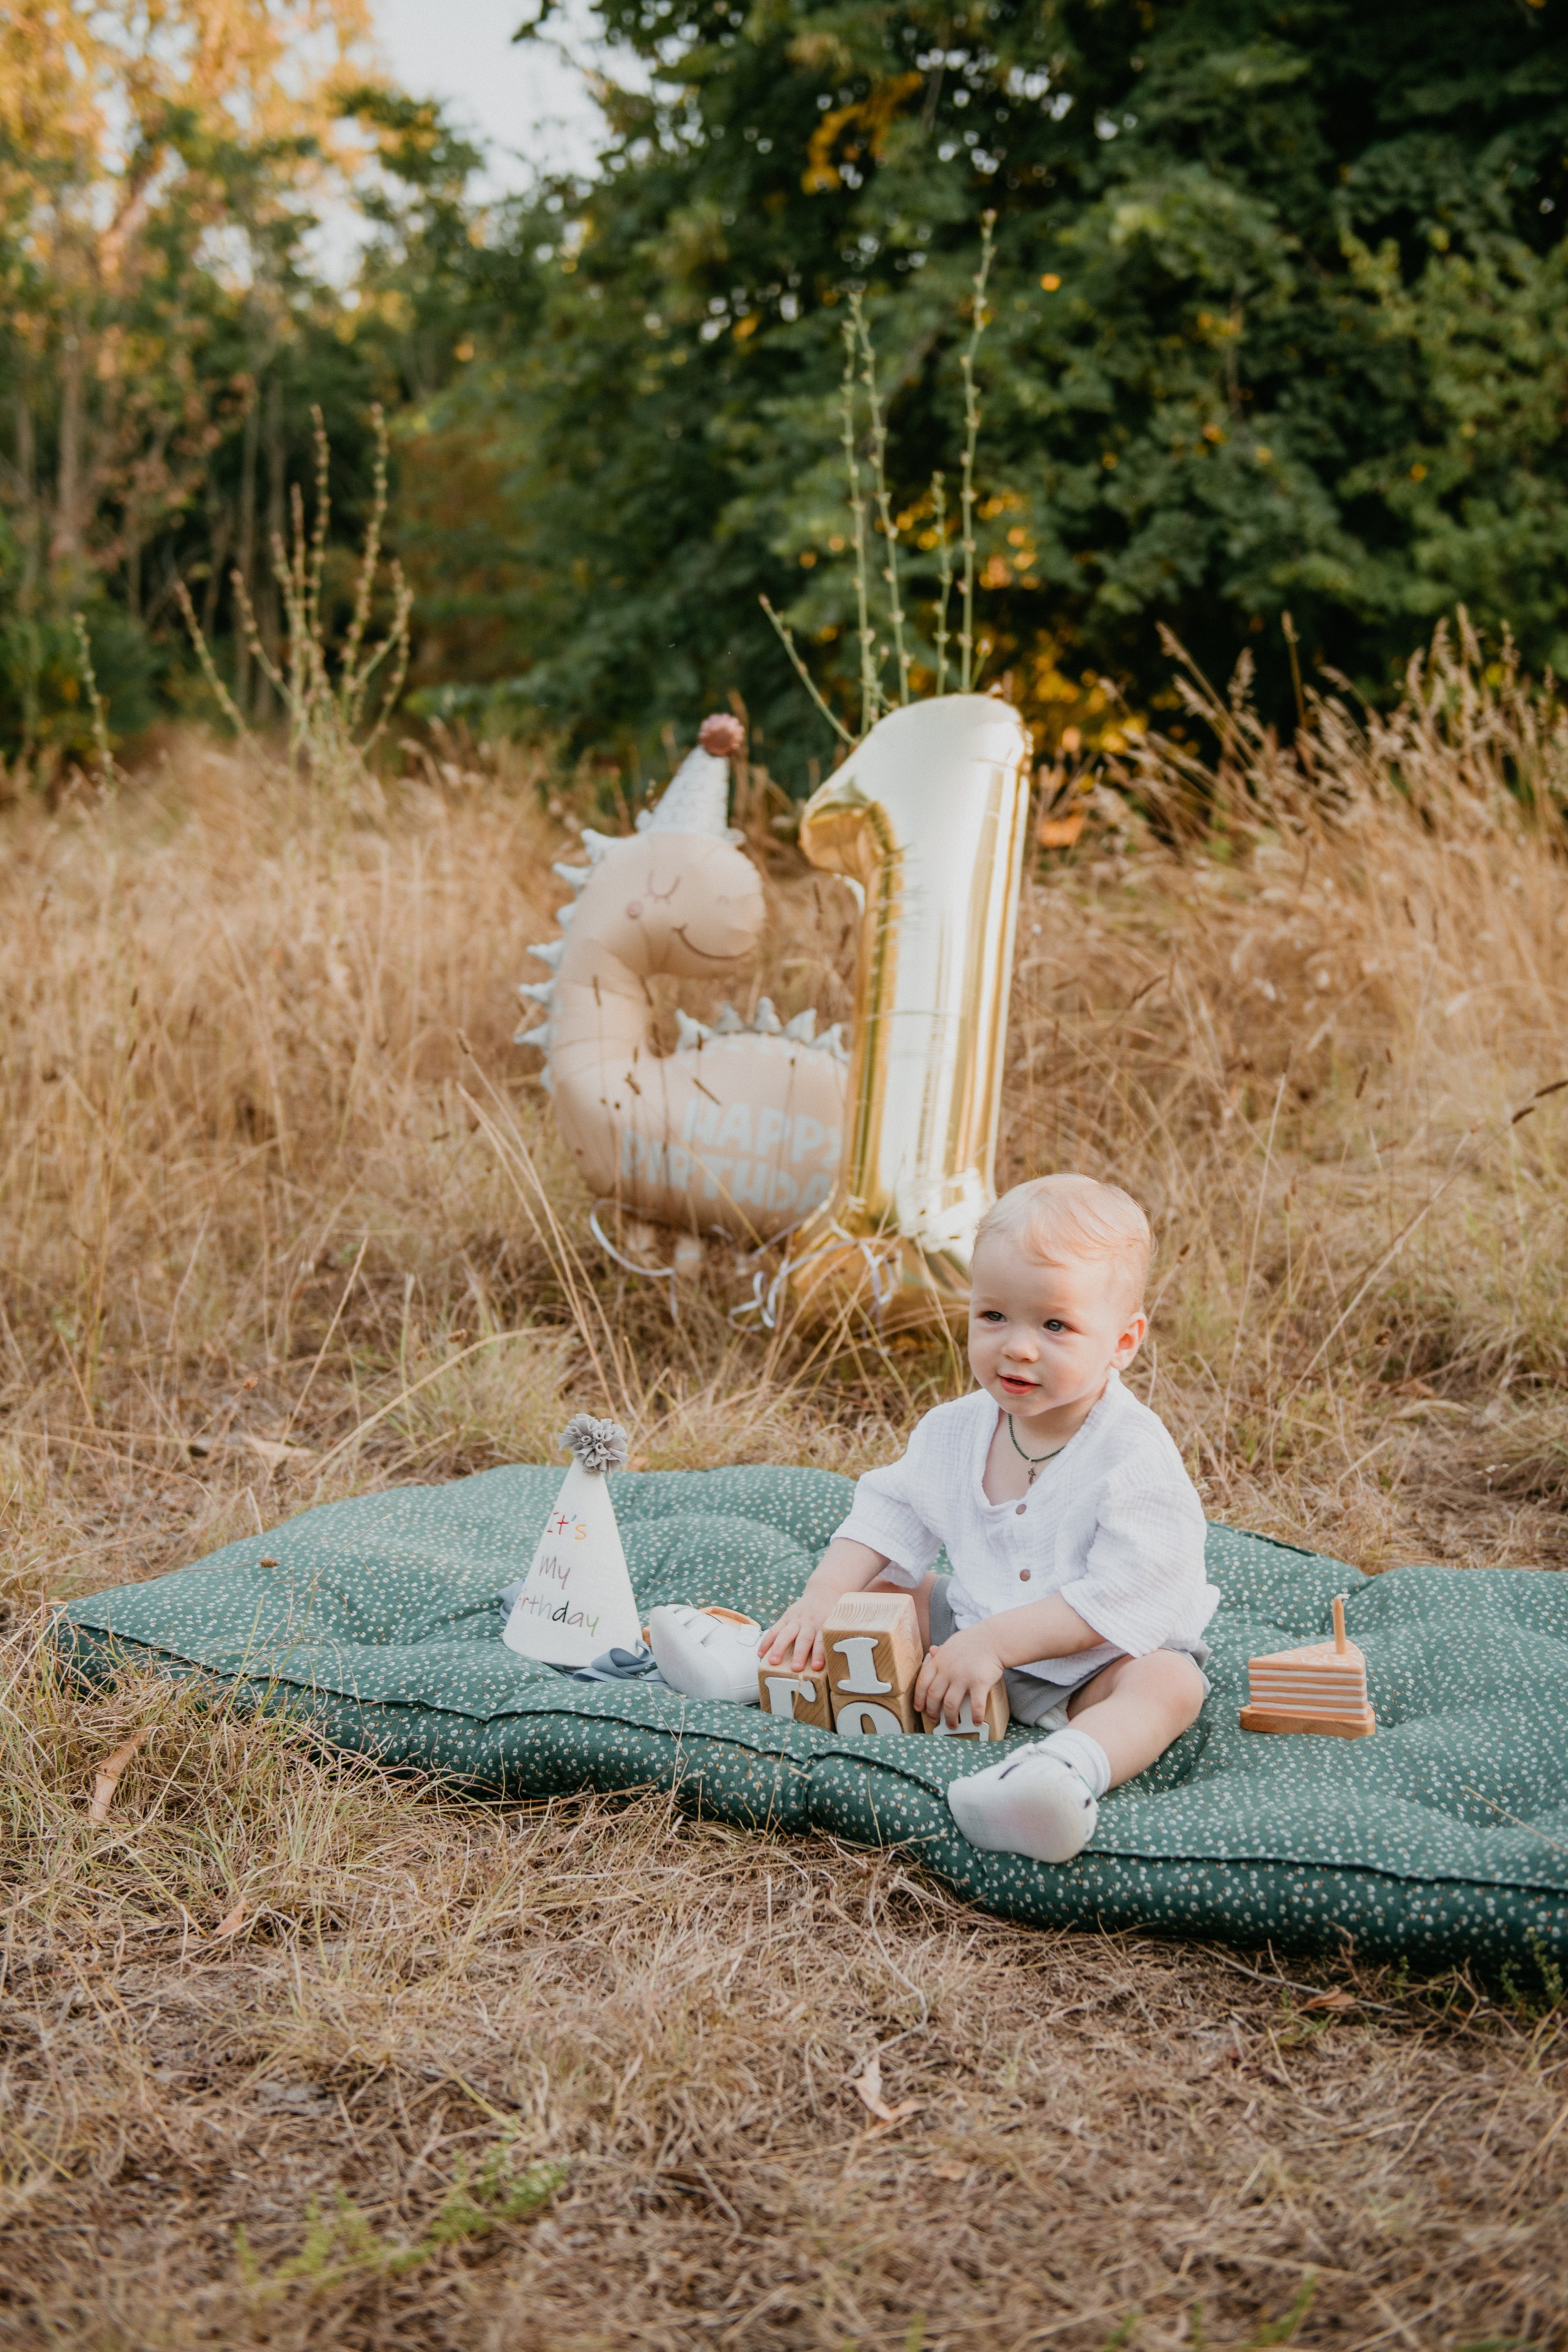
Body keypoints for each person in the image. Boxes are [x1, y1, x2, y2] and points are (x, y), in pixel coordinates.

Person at [758, 1173, 1216, 1863]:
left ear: (1123, 1341)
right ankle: (773, 1667)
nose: (1018, 1347)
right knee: (876, 1597)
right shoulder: (956, 1429)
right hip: (968, 1630)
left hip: (1094, 1660)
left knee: (1171, 1684)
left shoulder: (1132, 1455)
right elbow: (888, 1515)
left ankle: (1059, 1775)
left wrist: (998, 1644)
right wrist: (822, 1597)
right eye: (993, 1317)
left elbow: (1127, 1596)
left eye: (1055, 1325)